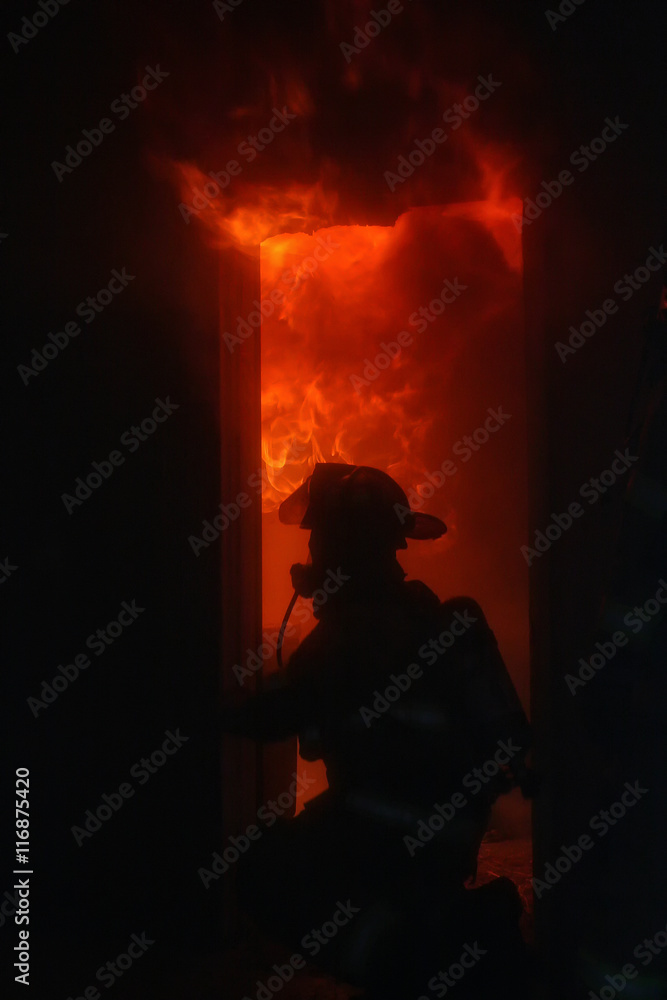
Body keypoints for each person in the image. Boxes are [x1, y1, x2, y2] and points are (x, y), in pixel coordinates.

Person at [221, 463, 534, 997]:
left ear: (342, 546)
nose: (314, 551)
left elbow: (271, 719)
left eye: (321, 538)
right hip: (448, 841)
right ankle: (449, 929)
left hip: (377, 837)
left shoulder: (341, 641)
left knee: (257, 873)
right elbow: (513, 744)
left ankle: (434, 952)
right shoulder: (446, 621)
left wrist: (198, 703)